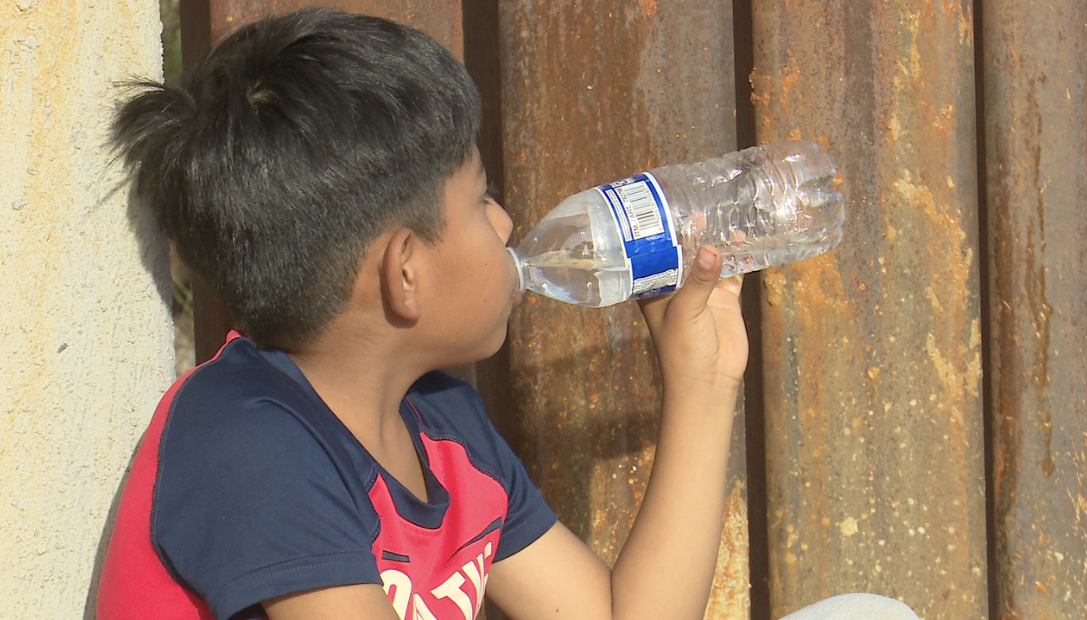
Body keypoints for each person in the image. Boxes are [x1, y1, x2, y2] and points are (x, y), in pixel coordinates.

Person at [96, 8, 918, 620]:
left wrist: (702, 384)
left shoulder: (436, 417)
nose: (505, 223)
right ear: (405, 273)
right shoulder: (249, 440)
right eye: (481, 197)